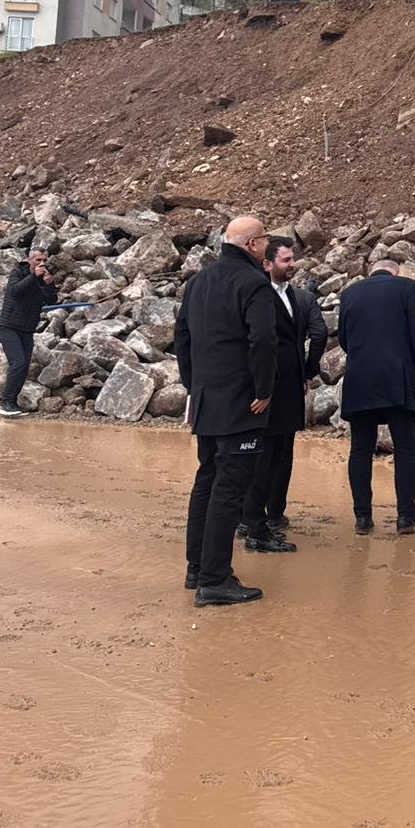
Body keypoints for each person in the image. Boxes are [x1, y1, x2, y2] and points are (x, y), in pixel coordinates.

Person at [177, 216, 277, 608]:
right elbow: (263, 340)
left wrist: (194, 385)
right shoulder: (254, 282)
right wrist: (264, 388)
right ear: (252, 244)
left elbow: (182, 337)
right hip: (241, 402)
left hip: (207, 400)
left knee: (207, 480)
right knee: (229, 488)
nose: (267, 244)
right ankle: (215, 578)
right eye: (265, 237)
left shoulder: (198, 282)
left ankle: (196, 568)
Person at [237, 236, 328, 549]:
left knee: (282, 454)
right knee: (260, 456)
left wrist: (307, 372)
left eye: (292, 259)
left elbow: (316, 336)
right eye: (285, 260)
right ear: (267, 263)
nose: (292, 265)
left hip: (290, 387)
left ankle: (271, 514)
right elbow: (257, 343)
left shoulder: (296, 295)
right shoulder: (258, 295)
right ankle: (251, 520)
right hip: (263, 390)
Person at [339, 259, 415, 536]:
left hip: (359, 378)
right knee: (405, 446)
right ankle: (406, 515)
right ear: (395, 272)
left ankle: (362, 517)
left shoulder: (350, 293)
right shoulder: (407, 287)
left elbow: (343, 338)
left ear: (372, 271)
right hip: (396, 378)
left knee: (360, 448)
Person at [0, 248, 56, 418]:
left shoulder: (43, 277)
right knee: (18, 363)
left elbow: (51, 300)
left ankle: (11, 403)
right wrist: (33, 276)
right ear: (29, 261)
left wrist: (49, 285)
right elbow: (15, 291)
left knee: (24, 367)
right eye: (38, 260)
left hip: (27, 329)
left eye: (44, 260)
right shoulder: (18, 273)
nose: (42, 263)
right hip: (9, 327)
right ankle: (5, 403)